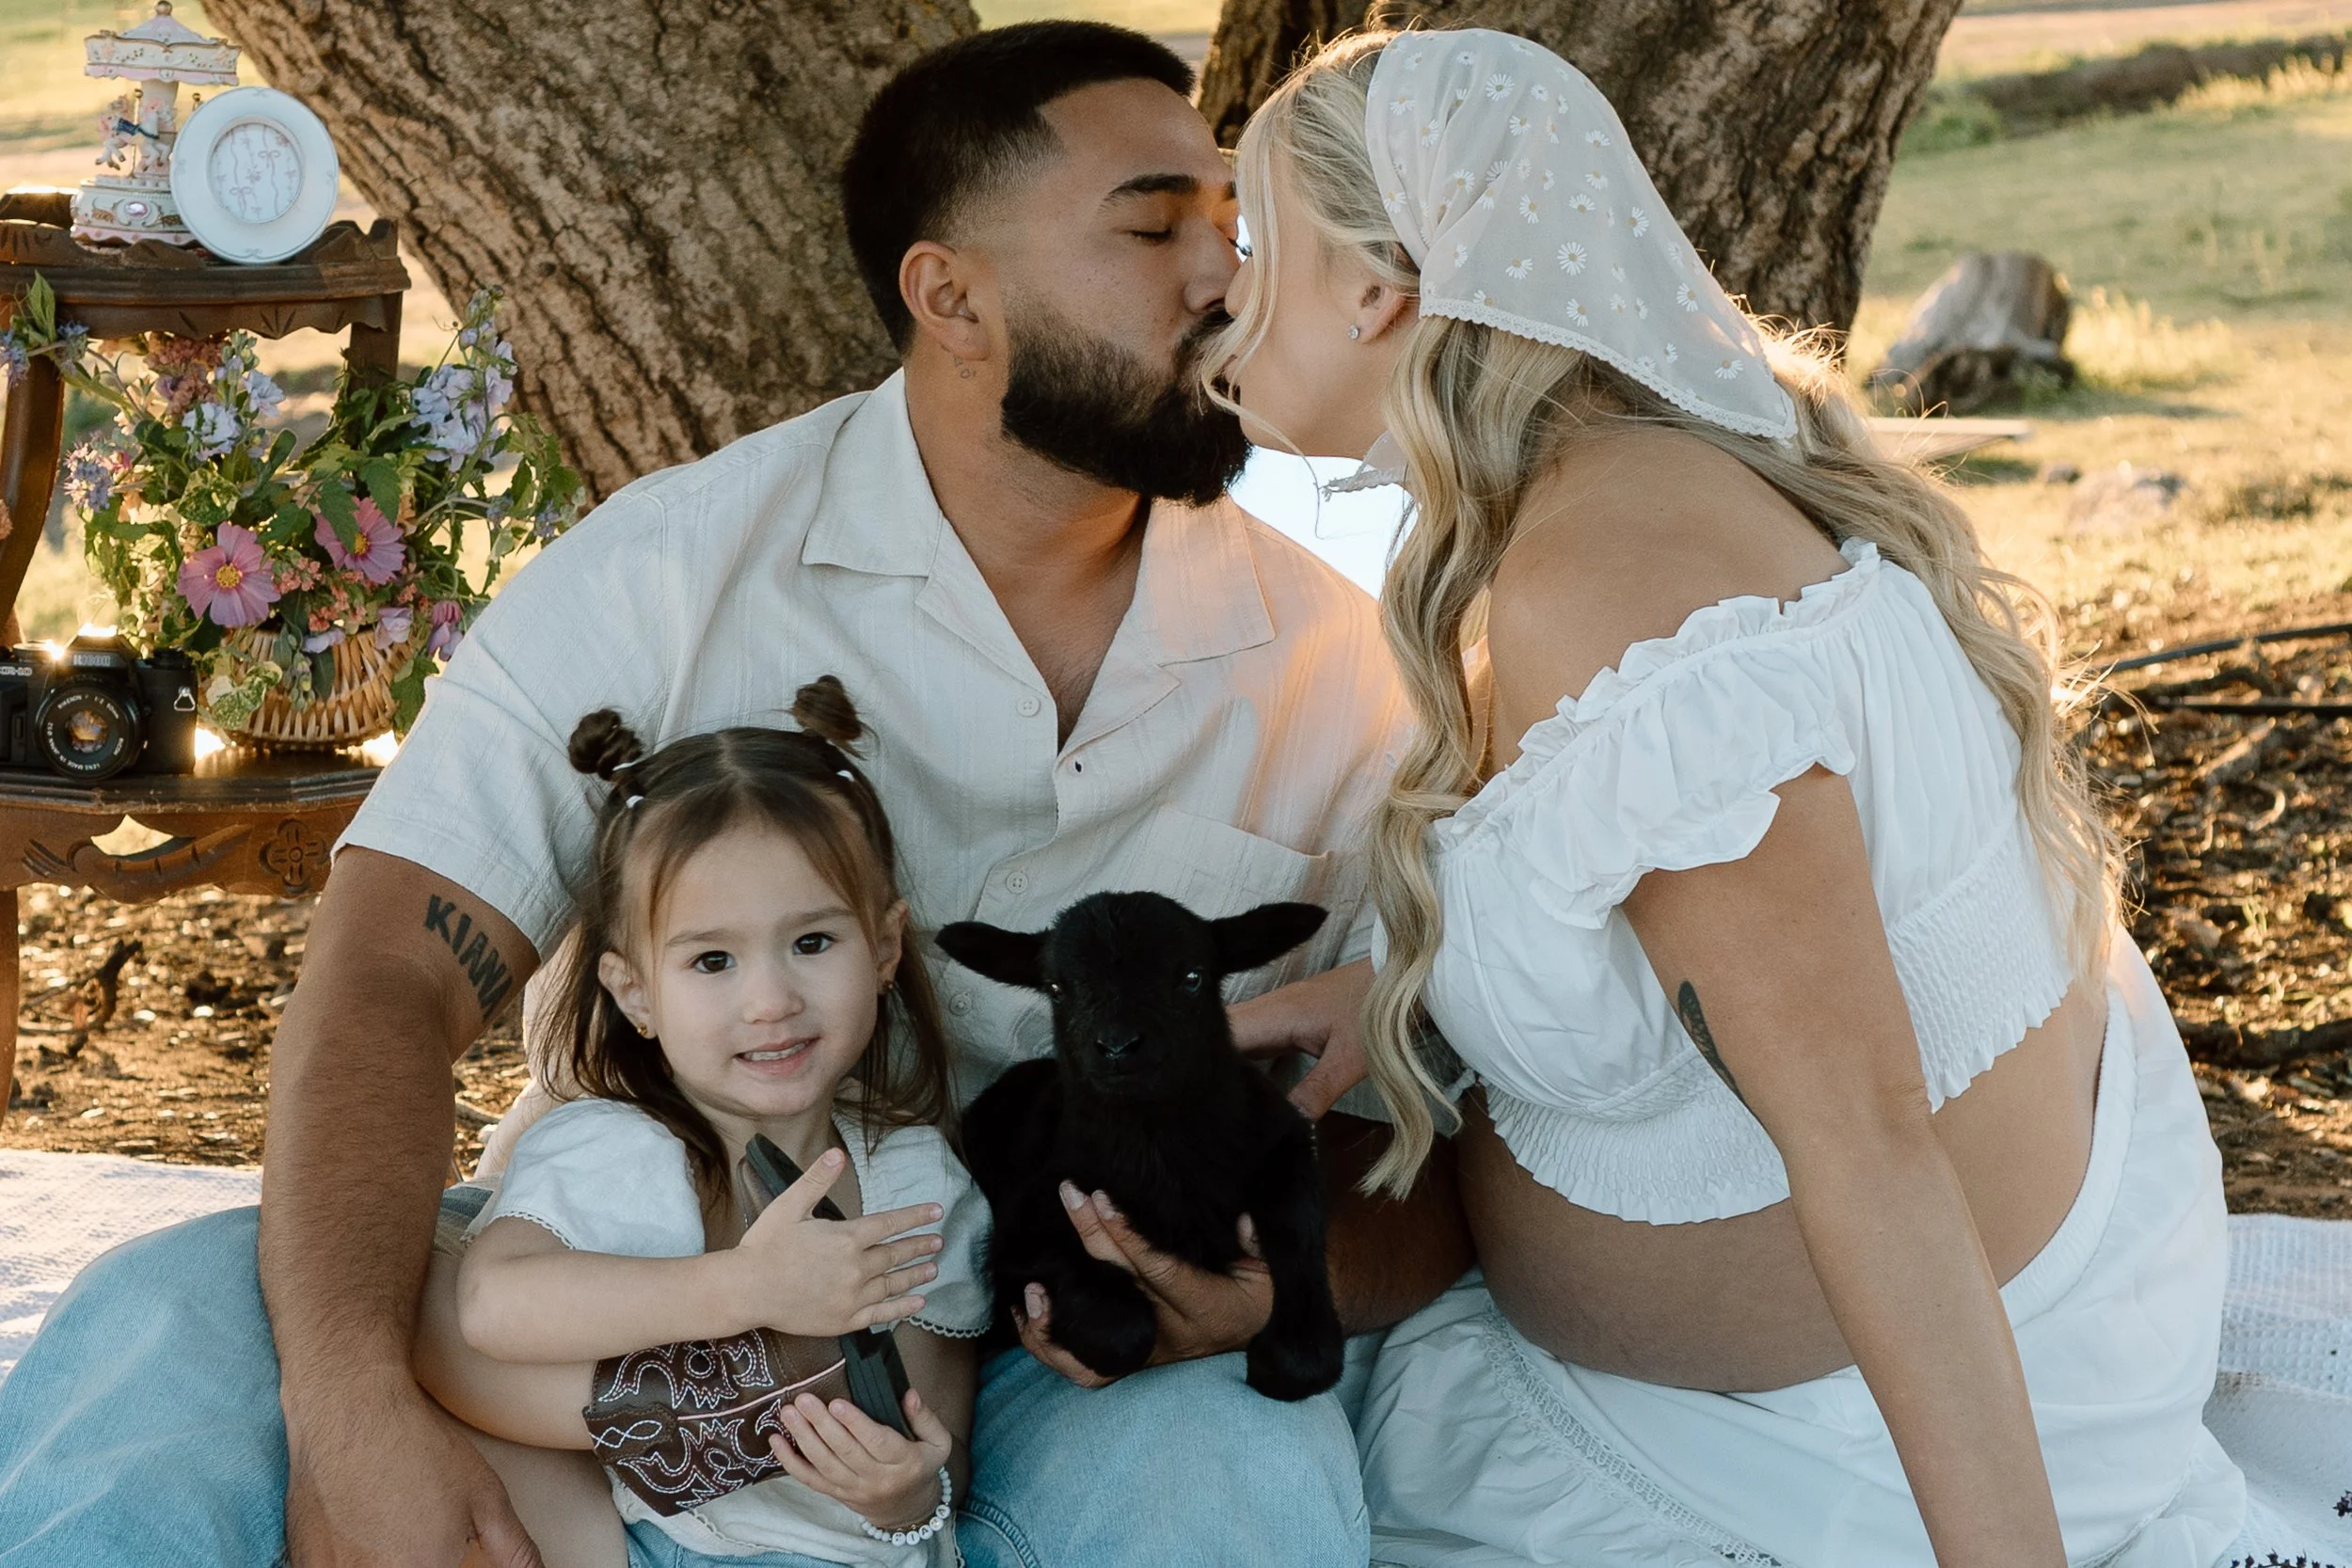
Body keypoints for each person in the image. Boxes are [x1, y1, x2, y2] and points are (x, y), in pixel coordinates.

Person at [0, 23, 1470, 1568]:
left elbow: (1432, 1139)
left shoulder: (1345, 666)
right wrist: (355, 1402)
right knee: (158, 1318)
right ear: (949, 294)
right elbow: (386, 972)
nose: (1226, 275)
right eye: (1156, 223)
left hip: (1052, 1333)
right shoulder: (668, 575)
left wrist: (1270, 1292)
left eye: (1234, 227)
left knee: (1233, 1464)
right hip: (630, 1283)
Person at [1210, 25, 2242, 1567]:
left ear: (1378, 288)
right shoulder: (1618, 486)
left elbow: (1868, 1139)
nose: (1217, 299)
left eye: (1247, 245)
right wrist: (1401, 1000)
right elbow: (1697, 934)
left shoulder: (1614, 587)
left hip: (1807, 1463)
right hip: (1847, 1369)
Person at [415, 687, 983, 1568]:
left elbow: (936, 1430)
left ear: (883, 947)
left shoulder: (915, 1180)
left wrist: (904, 1493)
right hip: (662, 1544)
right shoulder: (626, 1148)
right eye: (712, 960)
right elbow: (491, 1304)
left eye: (813, 942)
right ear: (635, 991)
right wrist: (743, 1289)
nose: (771, 1001)